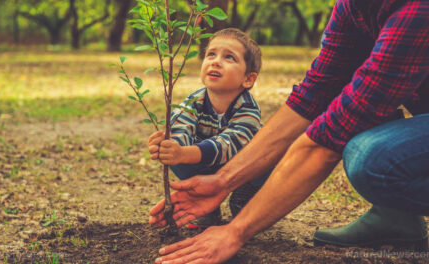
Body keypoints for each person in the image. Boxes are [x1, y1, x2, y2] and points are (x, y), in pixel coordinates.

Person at [149, 0, 429, 263]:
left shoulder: (416, 10)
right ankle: (395, 217)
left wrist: (236, 231)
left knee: (371, 159)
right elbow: (313, 96)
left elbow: (330, 138)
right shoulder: (351, 8)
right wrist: (222, 181)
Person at [147, 28, 269, 228]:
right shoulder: (195, 100)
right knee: (177, 157)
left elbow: (229, 144)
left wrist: (186, 153)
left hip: (243, 168)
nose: (216, 61)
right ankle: (207, 207)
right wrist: (169, 147)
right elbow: (180, 126)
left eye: (229, 57)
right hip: (207, 164)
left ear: (248, 79)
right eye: (211, 54)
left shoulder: (248, 108)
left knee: (269, 158)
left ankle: (246, 199)